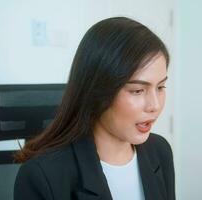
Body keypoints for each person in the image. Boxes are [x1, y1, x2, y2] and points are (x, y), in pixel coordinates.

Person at [14, 16, 175, 200]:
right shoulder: (42, 176)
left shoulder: (160, 150)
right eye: (137, 90)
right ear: (98, 90)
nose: (155, 105)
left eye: (160, 87)